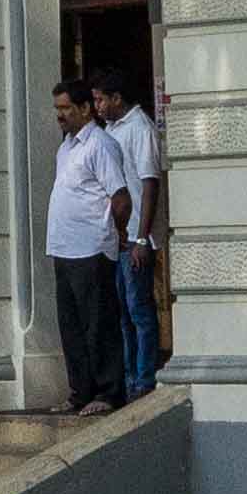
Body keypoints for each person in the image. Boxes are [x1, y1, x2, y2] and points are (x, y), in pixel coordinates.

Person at [41, 79, 129, 412]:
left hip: (92, 247)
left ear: (84, 108)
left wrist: (115, 234)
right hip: (64, 247)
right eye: (57, 109)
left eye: (65, 108)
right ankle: (80, 392)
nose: (59, 115)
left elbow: (121, 198)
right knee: (72, 326)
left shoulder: (100, 145)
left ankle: (108, 393)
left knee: (99, 323)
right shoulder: (66, 147)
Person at [104, 77, 165, 396]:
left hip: (136, 237)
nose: (98, 107)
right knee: (123, 312)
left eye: (102, 100)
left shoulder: (140, 127)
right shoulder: (111, 130)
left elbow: (149, 182)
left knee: (138, 308)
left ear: (117, 97)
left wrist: (142, 238)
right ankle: (128, 377)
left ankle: (144, 378)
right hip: (117, 238)